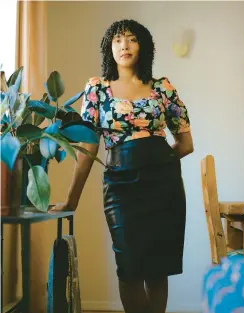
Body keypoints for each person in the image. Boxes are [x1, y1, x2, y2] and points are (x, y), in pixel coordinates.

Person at [50, 19, 194, 313]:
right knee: (129, 269)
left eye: (131, 39)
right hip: (120, 186)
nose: (124, 45)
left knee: (157, 269)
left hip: (163, 188)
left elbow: (186, 143)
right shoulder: (96, 90)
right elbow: (88, 149)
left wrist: (155, 163)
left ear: (144, 46)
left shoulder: (163, 88)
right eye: (117, 40)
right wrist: (71, 200)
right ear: (109, 48)